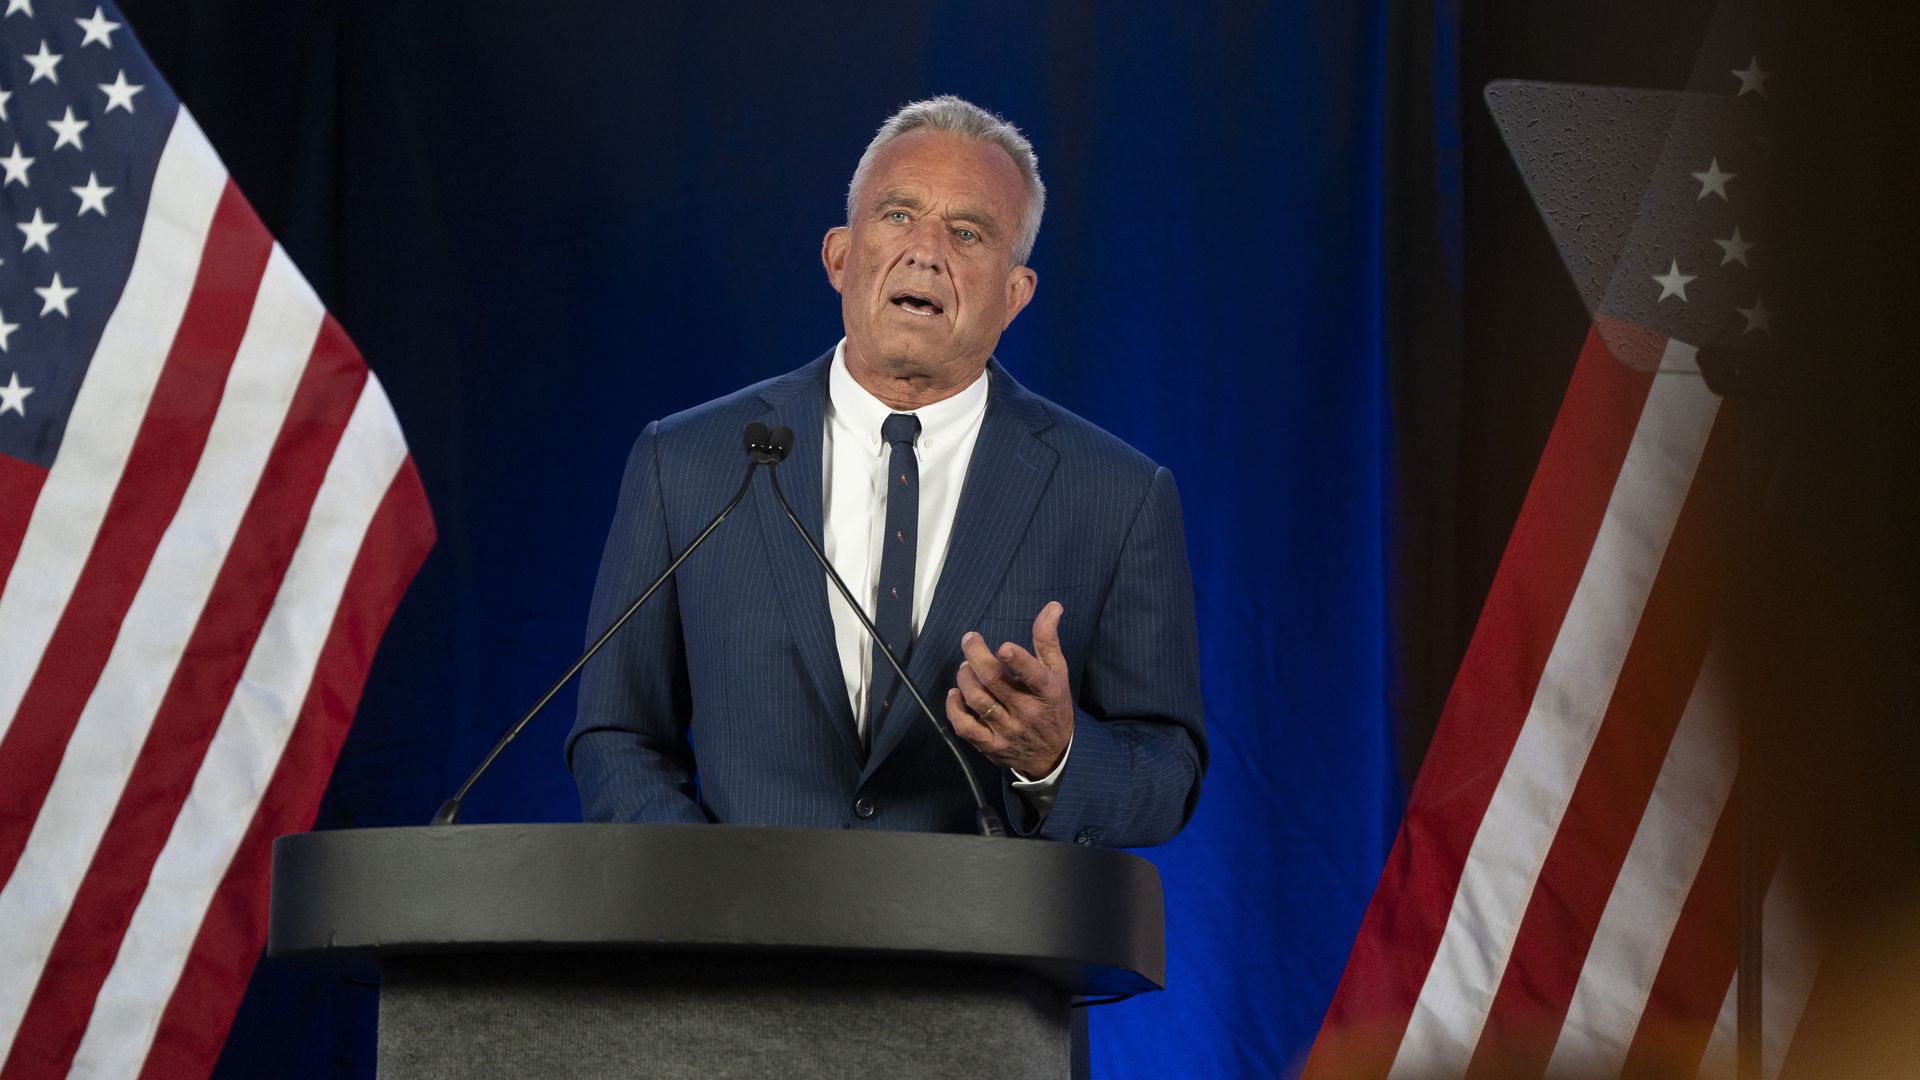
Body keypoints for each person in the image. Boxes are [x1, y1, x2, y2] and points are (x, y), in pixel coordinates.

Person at [566, 96, 1205, 846]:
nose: (926, 251)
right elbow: (618, 735)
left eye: (967, 232)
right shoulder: (686, 461)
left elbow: (1167, 770)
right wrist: (707, 891)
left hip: (982, 922)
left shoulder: (1118, 495)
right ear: (840, 257)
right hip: (738, 919)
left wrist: (1056, 759)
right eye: (898, 215)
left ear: (1015, 295)